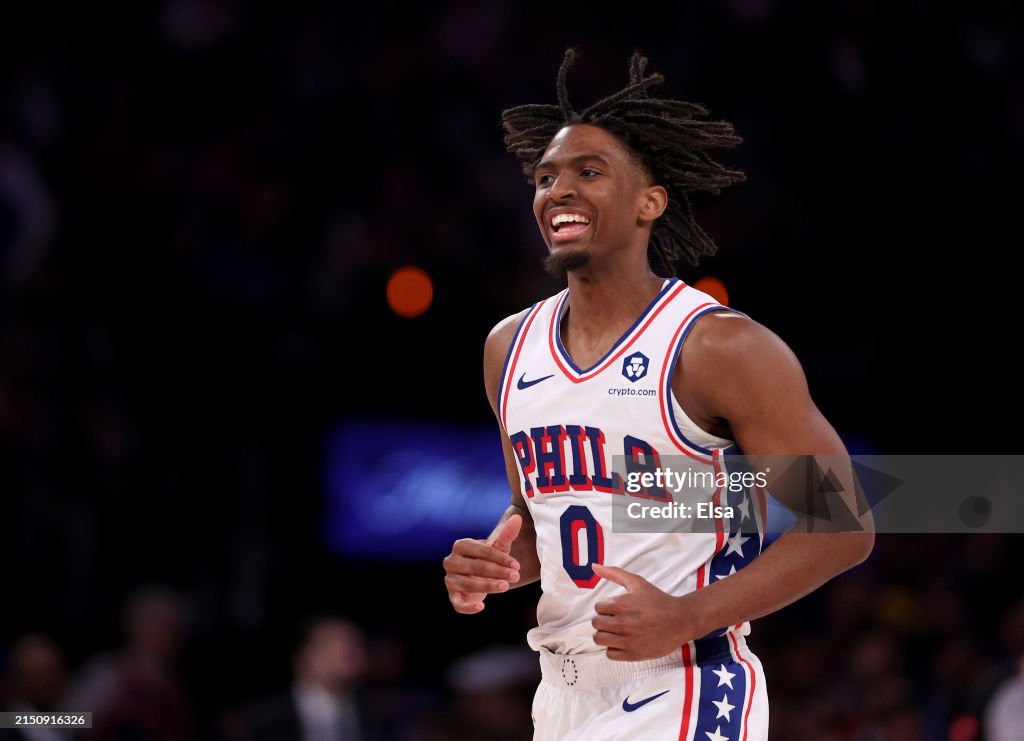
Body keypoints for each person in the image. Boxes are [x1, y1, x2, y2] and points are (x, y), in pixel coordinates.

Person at [442, 49, 874, 740]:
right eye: (545, 176)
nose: (559, 189)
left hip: (684, 682)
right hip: (560, 694)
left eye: (589, 172)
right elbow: (541, 514)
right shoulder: (508, 346)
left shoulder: (718, 346)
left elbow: (845, 525)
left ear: (651, 201)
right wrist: (495, 564)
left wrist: (688, 615)